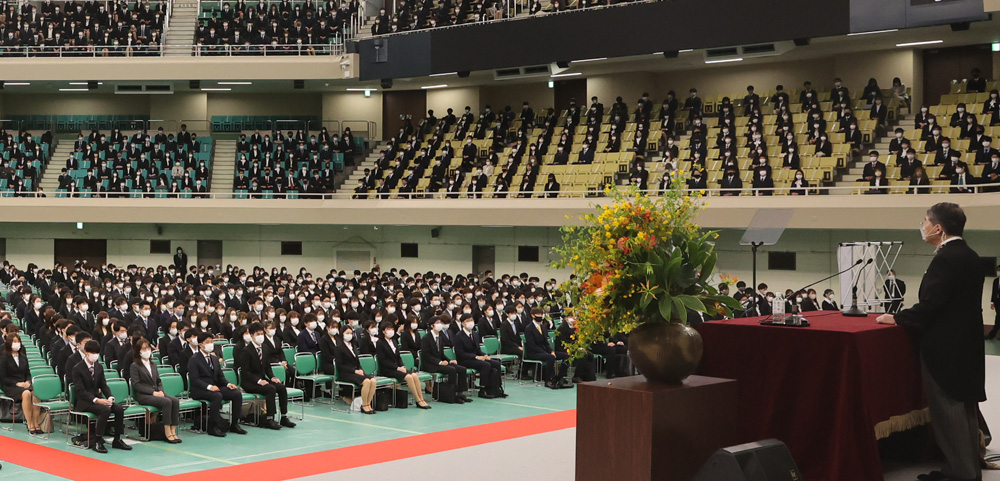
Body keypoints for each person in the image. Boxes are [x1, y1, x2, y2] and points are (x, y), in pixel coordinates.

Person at [877, 203, 984, 481]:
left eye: (925, 221)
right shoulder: (970, 255)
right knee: (964, 410)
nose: (922, 226)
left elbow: (932, 304)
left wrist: (897, 318)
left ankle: (960, 473)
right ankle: (967, 468)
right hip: (967, 344)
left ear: (939, 228)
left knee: (948, 410)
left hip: (945, 348)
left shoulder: (946, 258)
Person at [71, 340, 132, 453]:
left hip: (99, 398)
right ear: (86, 352)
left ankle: (117, 439)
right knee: (104, 410)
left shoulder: (98, 366)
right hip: (85, 402)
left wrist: (110, 397)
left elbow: (103, 385)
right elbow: (80, 391)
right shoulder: (77, 368)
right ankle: (98, 441)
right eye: (92, 352)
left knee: (118, 408)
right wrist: (97, 400)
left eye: (97, 353)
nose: (95, 355)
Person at [239, 323, 297, 429]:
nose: (261, 336)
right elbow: (245, 372)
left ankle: (284, 416)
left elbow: (267, 367)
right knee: (270, 389)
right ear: (252, 335)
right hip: (250, 382)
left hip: (262, 379)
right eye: (258, 334)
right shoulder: (246, 351)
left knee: (281, 387)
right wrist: (258, 381)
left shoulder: (265, 348)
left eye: (262, 334)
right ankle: (269, 418)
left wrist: (272, 377)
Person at [188, 332, 246, 437]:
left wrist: (228, 384)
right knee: (217, 396)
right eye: (207, 342)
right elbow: (194, 379)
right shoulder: (194, 359)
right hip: (200, 389)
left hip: (215, 387)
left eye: (211, 341)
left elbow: (220, 377)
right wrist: (209, 387)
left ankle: (234, 424)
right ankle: (213, 426)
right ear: (201, 344)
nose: (211, 344)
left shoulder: (214, 359)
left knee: (236, 394)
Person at [129, 339, 182, 443]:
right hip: (144, 395)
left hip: (157, 392)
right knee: (166, 402)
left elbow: (158, 381)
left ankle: (173, 430)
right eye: (144, 348)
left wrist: (161, 391)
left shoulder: (153, 364)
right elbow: (137, 385)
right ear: (138, 350)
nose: (147, 350)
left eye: (148, 348)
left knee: (175, 400)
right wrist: (153, 392)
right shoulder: (135, 366)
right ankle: (167, 432)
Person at [375, 321, 432, 408]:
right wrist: (397, 368)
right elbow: (383, 361)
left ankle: (421, 398)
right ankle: (418, 399)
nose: (391, 331)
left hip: (398, 367)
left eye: (392, 329)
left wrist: (402, 366)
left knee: (414, 376)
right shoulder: (380, 343)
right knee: (409, 377)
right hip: (388, 369)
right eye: (388, 329)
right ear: (383, 331)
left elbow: (398, 357)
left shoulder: (394, 341)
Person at [419, 316, 471, 403]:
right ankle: (451, 394)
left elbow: (441, 354)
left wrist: (450, 360)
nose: (440, 324)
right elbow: (426, 356)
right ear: (432, 326)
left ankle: (460, 393)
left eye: (440, 323)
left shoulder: (440, 337)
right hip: (431, 365)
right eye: (437, 323)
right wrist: (439, 362)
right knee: (452, 370)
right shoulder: (426, 338)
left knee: (462, 369)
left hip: (440, 362)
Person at [452, 314, 504, 399]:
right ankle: (483, 390)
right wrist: (476, 357)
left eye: (471, 320)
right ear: (463, 324)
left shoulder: (475, 334)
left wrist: (485, 355)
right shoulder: (458, 336)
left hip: (476, 357)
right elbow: (460, 353)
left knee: (496, 363)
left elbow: (478, 349)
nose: (470, 322)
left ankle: (497, 388)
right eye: (468, 321)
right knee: (486, 365)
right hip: (465, 360)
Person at [0, 333, 43, 434]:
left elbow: (28, 373)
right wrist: (17, 383)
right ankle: (29, 424)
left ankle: (36, 423)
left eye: (18, 341)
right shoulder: (3, 358)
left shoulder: (23, 357)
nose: (17, 344)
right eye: (15, 341)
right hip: (11, 385)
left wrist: (28, 381)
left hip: (24, 383)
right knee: (26, 393)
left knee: (36, 393)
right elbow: (3, 378)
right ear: (9, 343)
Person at [333, 325, 377, 414]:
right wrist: (354, 371)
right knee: (366, 382)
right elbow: (340, 365)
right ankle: (364, 405)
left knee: (373, 381)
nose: (349, 335)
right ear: (342, 334)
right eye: (347, 333)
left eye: (351, 333)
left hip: (356, 371)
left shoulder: (353, 346)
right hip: (346, 373)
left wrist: (360, 370)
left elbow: (357, 362)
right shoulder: (338, 348)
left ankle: (368, 404)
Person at [523, 308, 568, 389]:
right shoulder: (528, 328)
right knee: (550, 357)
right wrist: (547, 353)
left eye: (541, 315)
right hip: (534, 352)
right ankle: (548, 380)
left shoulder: (543, 327)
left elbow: (546, 342)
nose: (540, 317)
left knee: (566, 356)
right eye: (538, 315)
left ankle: (560, 377)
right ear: (533, 316)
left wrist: (551, 351)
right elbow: (532, 345)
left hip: (545, 351)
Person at [986, 266, 1000, 340]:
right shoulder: (996, 281)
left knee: (998, 317)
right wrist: (992, 302)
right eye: (997, 270)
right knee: (998, 316)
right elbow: (993, 292)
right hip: (997, 301)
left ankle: (992, 334)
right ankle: (992, 334)